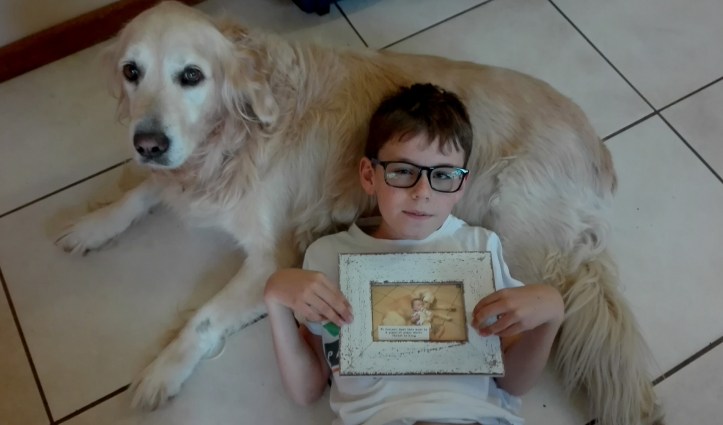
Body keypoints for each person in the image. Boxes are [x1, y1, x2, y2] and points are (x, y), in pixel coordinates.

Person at [263, 83, 564, 425]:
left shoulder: (479, 245)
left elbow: (513, 383)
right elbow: (306, 390)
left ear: (461, 187)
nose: (423, 192)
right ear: (369, 175)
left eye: (443, 175)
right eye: (403, 171)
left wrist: (551, 315)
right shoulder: (328, 255)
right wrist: (276, 298)